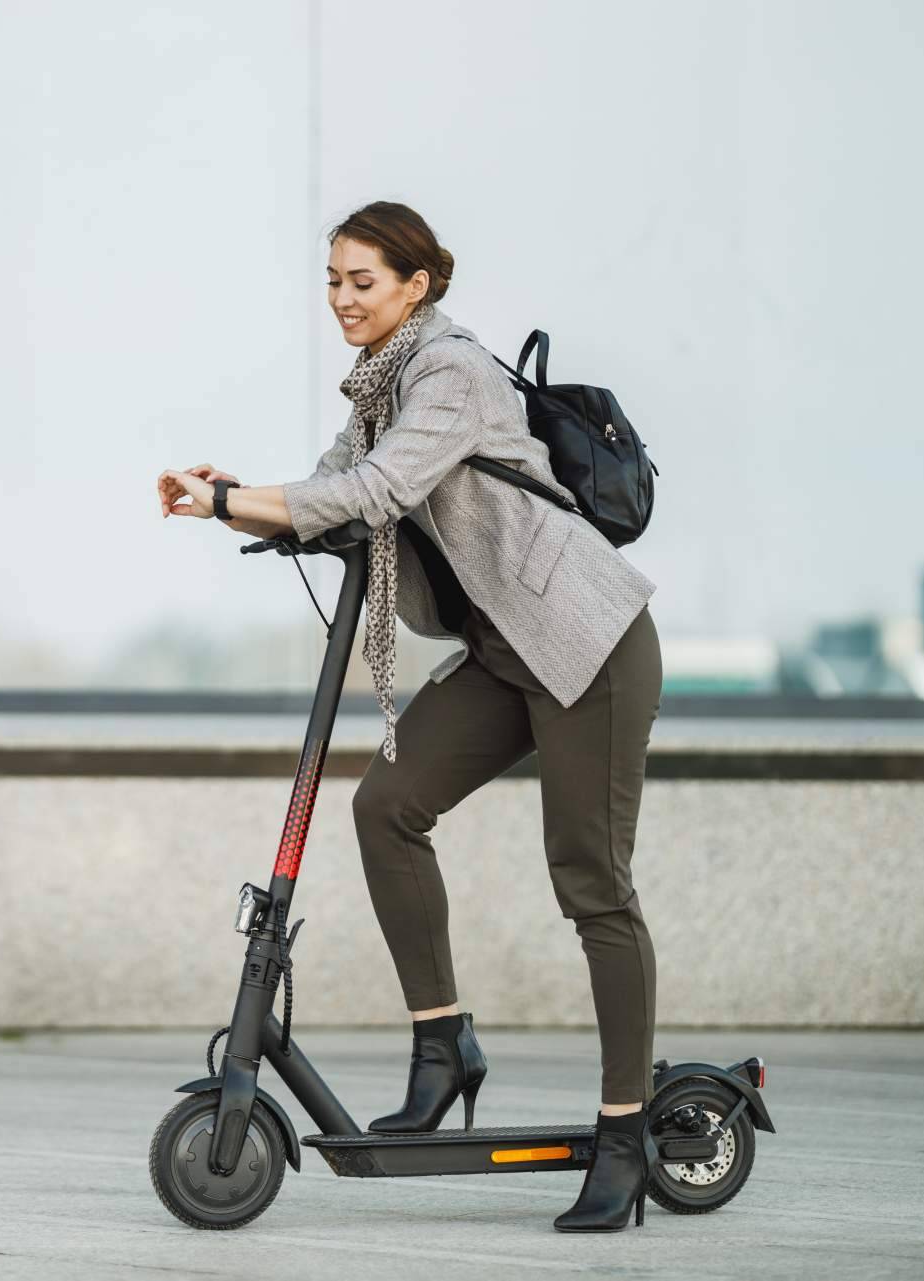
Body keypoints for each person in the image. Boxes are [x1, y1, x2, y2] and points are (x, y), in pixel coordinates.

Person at [154, 201, 663, 1234]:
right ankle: (444, 1045)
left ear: (416, 284)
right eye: (332, 281)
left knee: (590, 882)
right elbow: (340, 481)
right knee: (387, 805)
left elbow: (380, 490)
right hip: (503, 650)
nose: (343, 300)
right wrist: (235, 495)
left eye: (364, 281)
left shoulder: (451, 375)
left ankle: (625, 1131)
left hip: (589, 644)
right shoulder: (380, 383)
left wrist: (230, 504)